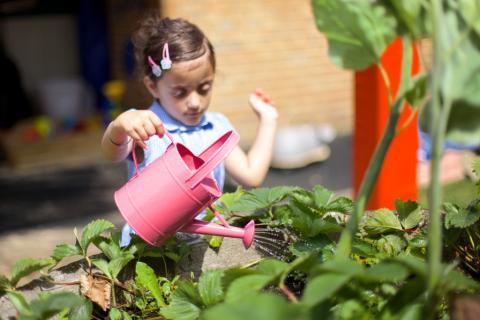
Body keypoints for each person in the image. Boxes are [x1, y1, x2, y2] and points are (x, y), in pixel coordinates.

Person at [101, 14, 278, 246]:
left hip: (200, 246)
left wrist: (268, 119)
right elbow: (111, 153)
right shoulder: (144, 125)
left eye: (204, 88)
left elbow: (251, 175)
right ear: (152, 86)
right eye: (180, 92)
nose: (194, 102)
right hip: (147, 248)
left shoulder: (217, 127)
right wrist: (119, 125)